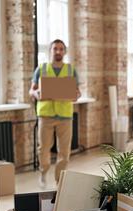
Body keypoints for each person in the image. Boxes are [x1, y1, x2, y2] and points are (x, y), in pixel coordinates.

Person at [29, 39, 81, 187]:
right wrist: (36, 93)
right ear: (50, 51)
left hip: (65, 116)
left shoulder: (71, 70)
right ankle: (43, 173)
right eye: (55, 49)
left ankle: (59, 180)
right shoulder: (41, 69)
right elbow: (31, 90)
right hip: (46, 115)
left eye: (61, 49)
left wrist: (76, 95)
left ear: (64, 52)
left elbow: (77, 92)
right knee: (43, 148)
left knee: (64, 151)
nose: (58, 52)